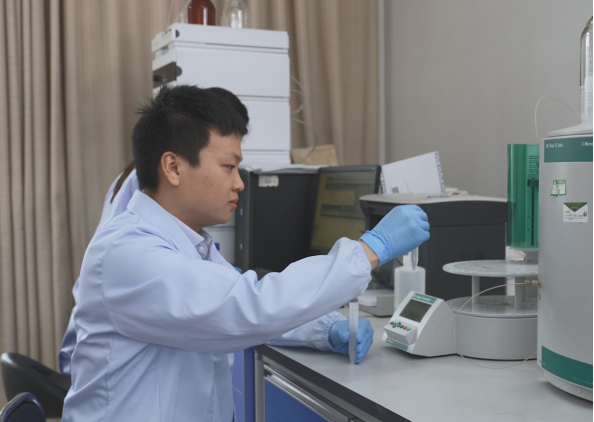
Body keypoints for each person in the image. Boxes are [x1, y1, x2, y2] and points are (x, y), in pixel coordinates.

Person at [62, 85, 430, 422]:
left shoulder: (189, 244)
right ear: (173, 167)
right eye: (229, 167)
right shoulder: (128, 251)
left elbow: (240, 295)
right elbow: (246, 308)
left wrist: (326, 330)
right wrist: (370, 249)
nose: (239, 183)